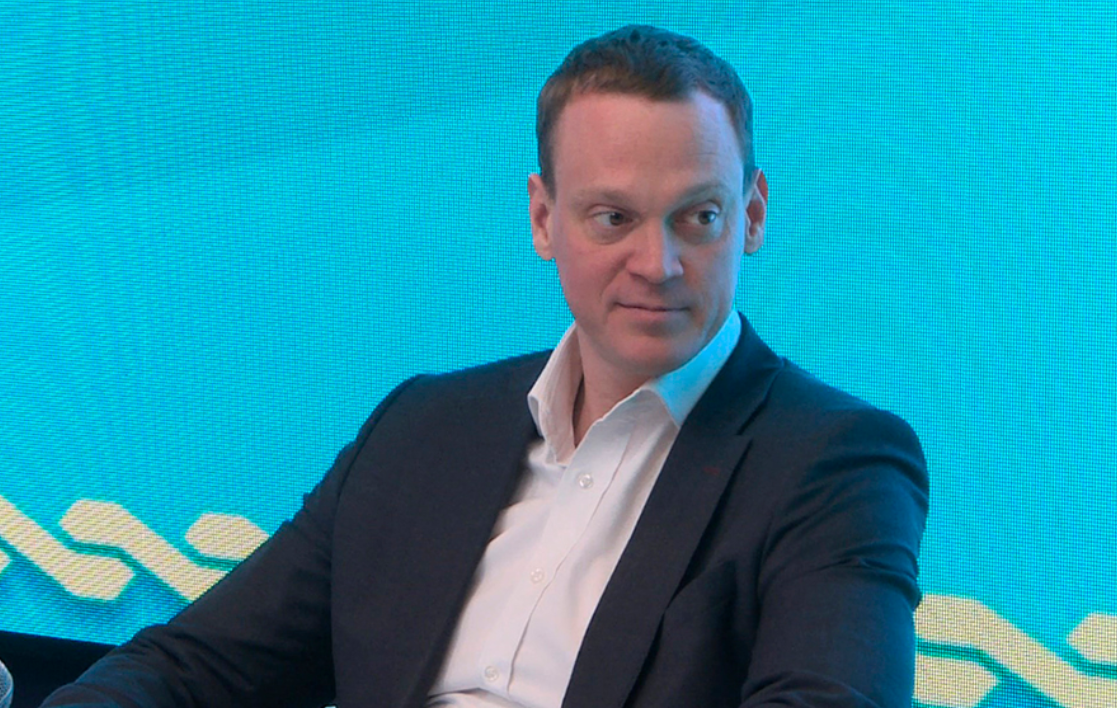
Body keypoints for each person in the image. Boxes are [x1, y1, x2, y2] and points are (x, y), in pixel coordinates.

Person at [42, 24, 928, 708]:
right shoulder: (423, 427)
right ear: (543, 219)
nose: (656, 264)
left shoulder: (833, 462)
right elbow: (199, 666)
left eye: (697, 218)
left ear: (752, 214)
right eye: (612, 218)